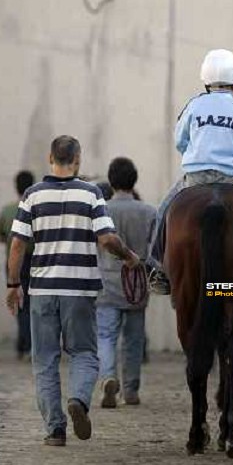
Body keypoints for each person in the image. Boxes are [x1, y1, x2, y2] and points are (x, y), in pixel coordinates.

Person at [6, 136, 140, 447]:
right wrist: (129, 256)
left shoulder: (32, 196)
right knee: (83, 353)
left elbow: (17, 244)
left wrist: (14, 285)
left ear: (50, 157)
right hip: (79, 290)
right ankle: (78, 400)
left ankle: (55, 430)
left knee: (45, 361)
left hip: (41, 291)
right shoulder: (91, 194)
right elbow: (106, 239)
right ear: (77, 160)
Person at [148, 49, 233, 295]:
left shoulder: (194, 105)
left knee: (163, 212)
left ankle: (158, 268)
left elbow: (180, 141)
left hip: (194, 179)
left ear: (205, 77)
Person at [96, 157, 156, 408]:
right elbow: (156, 252)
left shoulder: (101, 210)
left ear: (111, 181)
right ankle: (131, 390)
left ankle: (108, 378)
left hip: (106, 284)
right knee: (134, 339)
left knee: (106, 336)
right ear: (135, 180)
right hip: (137, 285)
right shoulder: (150, 212)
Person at [0, 170, 35, 359]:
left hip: (13, 261)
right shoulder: (38, 210)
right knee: (33, 303)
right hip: (35, 261)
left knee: (18, 302)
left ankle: (23, 344)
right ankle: (30, 344)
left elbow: (1, 235)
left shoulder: (7, 210)